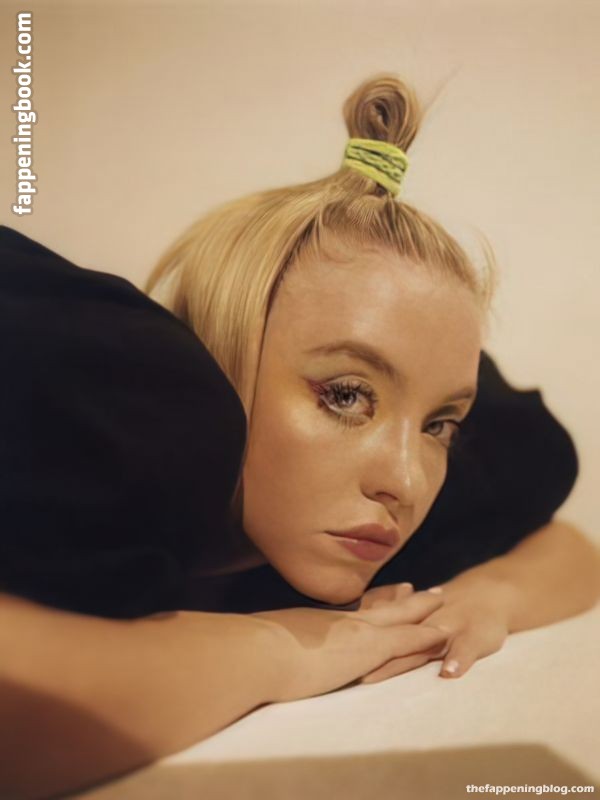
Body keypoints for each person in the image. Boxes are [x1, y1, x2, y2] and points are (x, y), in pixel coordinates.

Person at [0, 74, 598, 799]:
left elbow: (570, 550)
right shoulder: (137, 411)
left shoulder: (352, 516)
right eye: (346, 395)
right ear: (220, 356)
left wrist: (483, 599)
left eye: (441, 424)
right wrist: (283, 649)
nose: (406, 481)